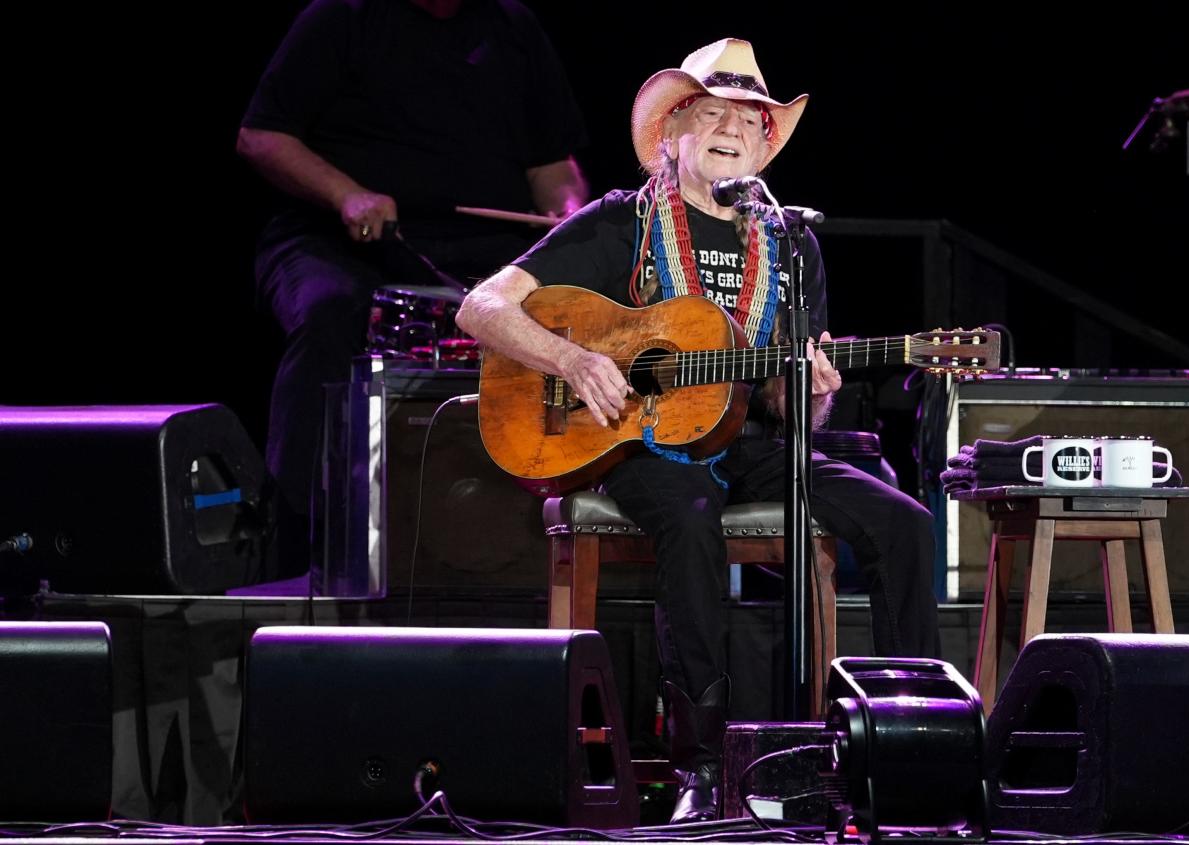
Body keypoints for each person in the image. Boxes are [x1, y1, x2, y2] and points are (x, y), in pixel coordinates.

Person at [456, 38, 940, 822]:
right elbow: (480, 306)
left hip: (752, 442)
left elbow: (793, 410)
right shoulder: (625, 221)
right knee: (689, 516)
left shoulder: (790, 244)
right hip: (635, 440)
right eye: (708, 113)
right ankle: (705, 761)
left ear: (763, 145)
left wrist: (809, 392)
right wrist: (574, 361)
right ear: (671, 135)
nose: (728, 130)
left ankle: (905, 744)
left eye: (747, 121)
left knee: (905, 522)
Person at [236, 0, 588, 578]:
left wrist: (567, 215)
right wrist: (346, 194)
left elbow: (552, 165)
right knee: (329, 313)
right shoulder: (342, 16)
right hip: (337, 239)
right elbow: (261, 135)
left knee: (568, 316)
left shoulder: (514, 26)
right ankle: (290, 551)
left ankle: (544, 547)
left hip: (482, 249)